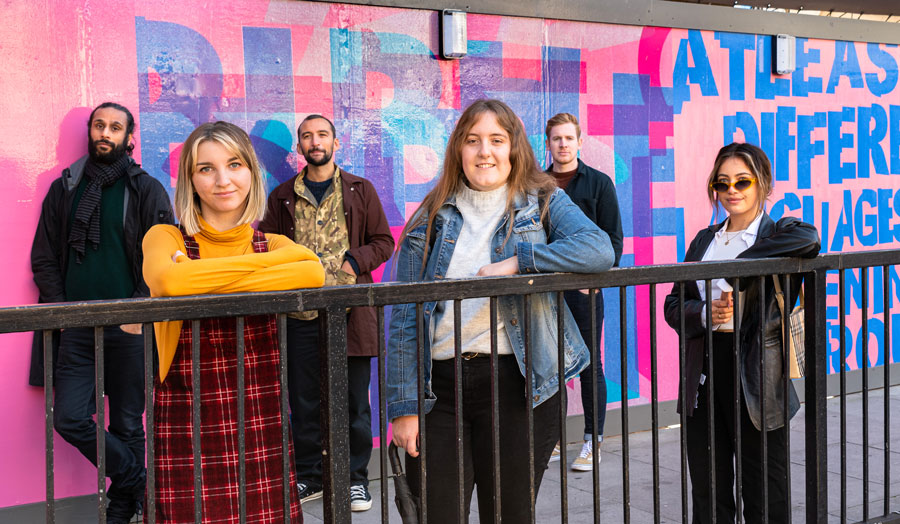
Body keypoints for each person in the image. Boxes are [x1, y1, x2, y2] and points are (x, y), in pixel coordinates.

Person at [386, 99, 614, 522]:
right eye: (472, 141)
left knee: (510, 515)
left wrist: (520, 262)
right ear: (458, 150)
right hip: (441, 391)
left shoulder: (542, 201)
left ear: (514, 149)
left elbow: (599, 249)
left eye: (496, 140)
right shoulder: (431, 215)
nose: (484, 152)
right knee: (438, 514)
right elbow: (403, 315)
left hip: (519, 385)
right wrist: (404, 405)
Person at [142, 121, 325, 523]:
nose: (223, 179)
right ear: (190, 180)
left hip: (260, 414)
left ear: (251, 173)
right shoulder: (164, 238)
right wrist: (267, 272)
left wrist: (197, 279)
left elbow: (312, 272)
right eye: (206, 168)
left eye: (235, 164)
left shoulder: (274, 241)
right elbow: (169, 280)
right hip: (186, 414)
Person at [30, 102, 174, 523]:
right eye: (98, 125)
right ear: (90, 132)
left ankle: (122, 506)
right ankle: (138, 479)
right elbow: (44, 258)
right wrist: (64, 311)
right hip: (77, 326)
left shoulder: (146, 189)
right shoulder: (66, 188)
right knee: (69, 416)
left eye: (114, 127)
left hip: (129, 327)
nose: (104, 133)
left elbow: (164, 259)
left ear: (129, 137)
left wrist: (137, 309)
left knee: (129, 422)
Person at [663, 143, 819, 524]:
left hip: (757, 375)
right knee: (709, 488)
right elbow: (673, 305)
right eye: (723, 182)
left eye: (743, 181)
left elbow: (810, 240)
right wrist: (702, 312)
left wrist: (738, 267)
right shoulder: (704, 240)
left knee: (765, 488)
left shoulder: (779, 232)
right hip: (704, 371)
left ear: (763, 184)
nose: (732, 190)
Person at [259, 114, 394, 511]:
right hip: (300, 314)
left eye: (322, 135)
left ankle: (355, 479)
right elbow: (267, 244)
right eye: (306, 137)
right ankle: (310, 477)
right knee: (303, 402)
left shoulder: (360, 189)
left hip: (349, 312)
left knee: (353, 401)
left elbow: (383, 241)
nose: (314, 142)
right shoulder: (282, 195)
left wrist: (354, 262)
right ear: (299, 147)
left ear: (337, 143)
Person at [544, 112, 623, 470]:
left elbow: (614, 242)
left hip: (585, 290)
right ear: (548, 144)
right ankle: (553, 439)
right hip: (545, 291)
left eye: (568, 138)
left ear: (579, 142)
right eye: (556, 138)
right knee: (550, 366)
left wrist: (597, 281)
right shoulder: (536, 185)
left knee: (590, 365)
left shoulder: (600, 183)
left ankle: (593, 441)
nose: (563, 144)